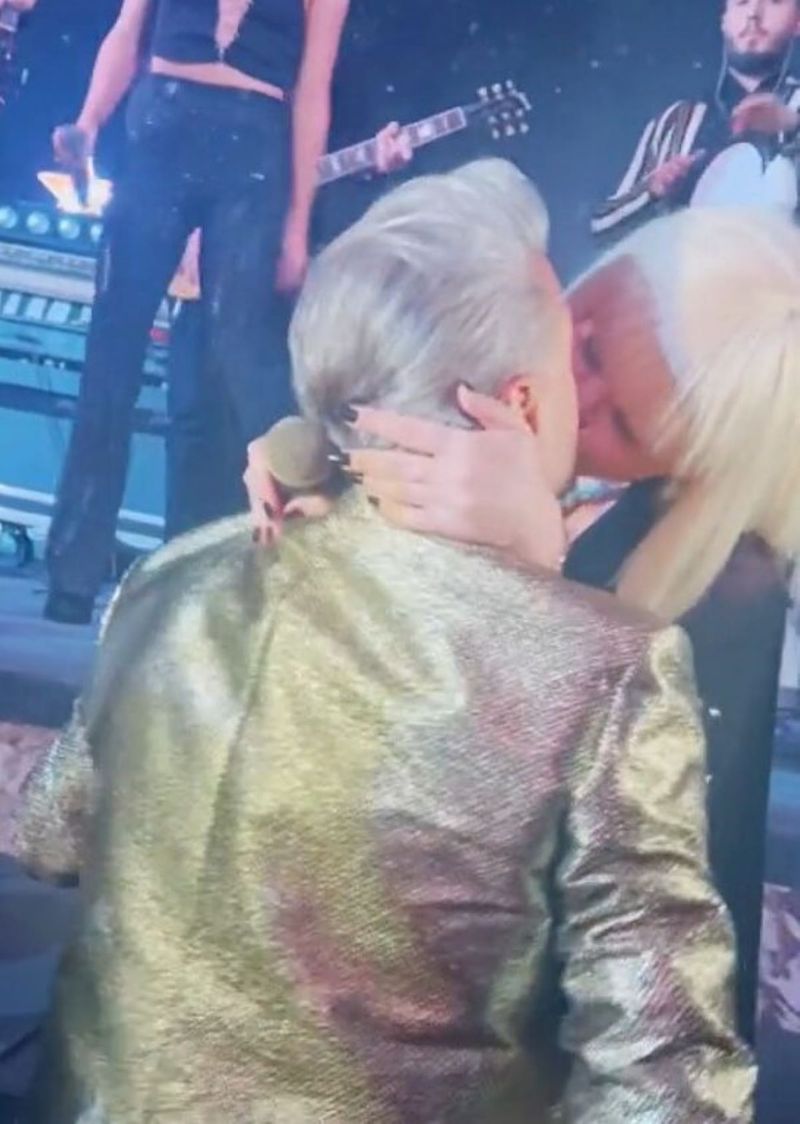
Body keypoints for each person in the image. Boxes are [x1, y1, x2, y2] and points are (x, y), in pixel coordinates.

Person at [16, 161, 752, 1122]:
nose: (589, 395)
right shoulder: (607, 671)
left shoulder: (172, 576)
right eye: (580, 354)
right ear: (523, 404)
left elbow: (50, 832)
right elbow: (668, 1082)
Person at [281, 205, 800, 1046]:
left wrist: (535, 594)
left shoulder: (722, 599)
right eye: (588, 345)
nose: (572, 399)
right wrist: (309, 457)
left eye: (624, 424)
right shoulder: (498, 364)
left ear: (694, 468)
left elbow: (636, 925)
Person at [43, 0, 351, 626]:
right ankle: (72, 573)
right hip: (163, 121)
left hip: (254, 141)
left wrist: (296, 228)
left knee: (244, 358)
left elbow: (312, 90)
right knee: (112, 354)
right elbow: (127, 31)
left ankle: (291, 562)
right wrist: (89, 121)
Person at [592, 0, 800, 235]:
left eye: (774, 1)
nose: (753, 13)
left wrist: (793, 129)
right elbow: (602, 225)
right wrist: (653, 191)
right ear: (724, 20)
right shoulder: (676, 120)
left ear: (797, 22)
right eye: (741, 2)